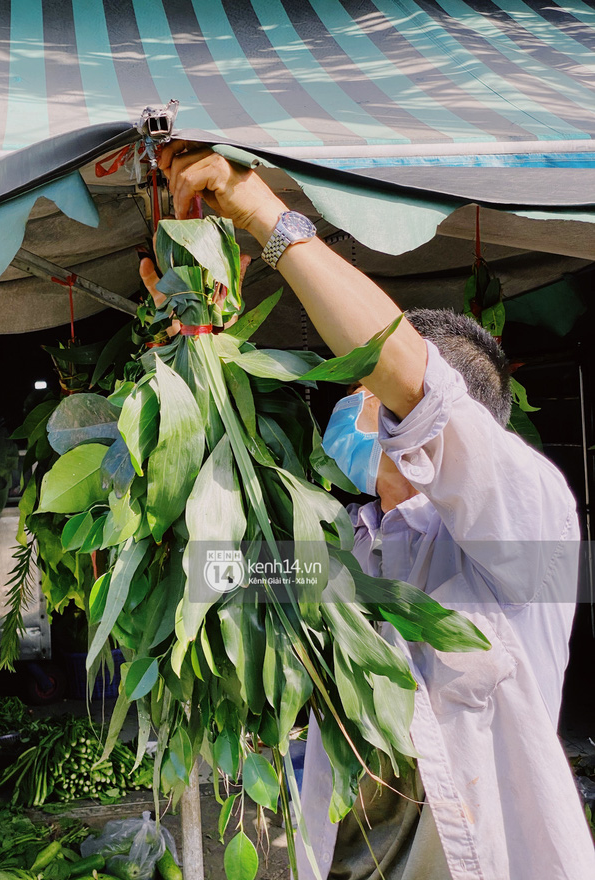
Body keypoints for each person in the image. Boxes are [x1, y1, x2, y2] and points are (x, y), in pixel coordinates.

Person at [152, 141, 595, 880]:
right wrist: (186, 371)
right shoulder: (350, 551)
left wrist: (264, 213)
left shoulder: (528, 525)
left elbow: (416, 384)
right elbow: (216, 568)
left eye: (362, 388)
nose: (348, 405)